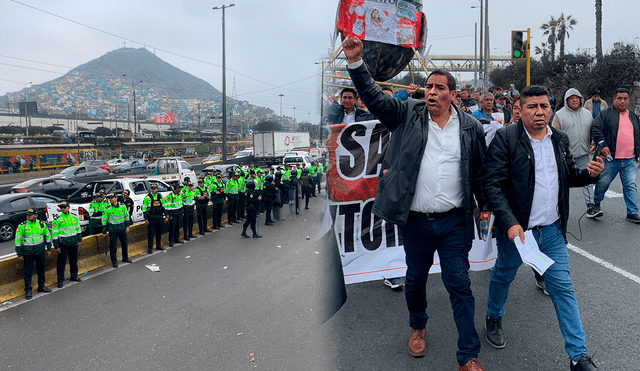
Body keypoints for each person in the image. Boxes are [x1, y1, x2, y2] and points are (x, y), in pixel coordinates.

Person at [343, 36, 490, 371]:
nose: (433, 91)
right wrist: (356, 63)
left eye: (440, 87)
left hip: (454, 223)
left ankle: (468, 355)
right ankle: (418, 325)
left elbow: (479, 173)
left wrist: (487, 206)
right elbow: (376, 100)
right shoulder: (408, 113)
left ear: (454, 94)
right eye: (429, 86)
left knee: (460, 286)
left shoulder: (470, 128)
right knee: (415, 280)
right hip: (416, 222)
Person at [484, 85, 604, 371]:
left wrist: (588, 175)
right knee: (504, 274)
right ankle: (493, 315)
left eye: (544, 106)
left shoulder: (559, 140)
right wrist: (510, 223)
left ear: (551, 108)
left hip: (550, 231)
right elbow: (493, 186)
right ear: (520, 110)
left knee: (563, 288)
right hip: (519, 233)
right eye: (532, 107)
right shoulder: (506, 139)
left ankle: (579, 356)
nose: (539, 112)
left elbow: (568, 177)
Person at [590, 87, 640, 223]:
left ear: (629, 101)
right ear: (614, 99)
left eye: (625, 99)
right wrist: (603, 145)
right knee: (603, 183)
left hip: (630, 159)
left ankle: (632, 212)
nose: (622, 101)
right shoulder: (605, 114)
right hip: (610, 159)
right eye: (619, 98)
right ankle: (596, 204)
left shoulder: (634, 117)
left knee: (630, 185)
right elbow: (596, 128)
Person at [551, 88, 597, 216]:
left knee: (587, 179)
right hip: (564, 157)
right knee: (562, 181)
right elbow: (553, 135)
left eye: (577, 97)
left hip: (583, 154)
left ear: (581, 99)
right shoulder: (559, 115)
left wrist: (594, 140)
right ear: (567, 100)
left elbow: (593, 130)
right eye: (572, 98)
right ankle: (558, 208)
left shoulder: (588, 114)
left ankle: (590, 205)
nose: (575, 100)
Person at [15, 208, 52, 300]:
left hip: (39, 250)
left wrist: (49, 248)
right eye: (28, 215)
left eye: (30, 215)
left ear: (36, 215)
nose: (28, 216)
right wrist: (19, 253)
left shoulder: (41, 224)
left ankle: (41, 286)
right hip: (28, 252)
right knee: (28, 271)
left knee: (41, 268)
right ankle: (28, 290)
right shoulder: (22, 226)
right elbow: (18, 240)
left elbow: (47, 235)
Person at [52, 201, 82, 288]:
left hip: (73, 242)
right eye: (61, 207)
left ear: (68, 207)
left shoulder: (73, 217)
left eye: (64, 207)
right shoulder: (57, 219)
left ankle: (74, 276)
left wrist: (79, 239)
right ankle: (60, 280)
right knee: (61, 263)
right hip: (63, 244)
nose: (63, 209)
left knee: (74, 261)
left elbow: (78, 228)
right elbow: (54, 234)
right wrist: (56, 246)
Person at [102, 193, 132, 268]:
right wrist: (104, 231)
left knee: (124, 244)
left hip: (122, 229)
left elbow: (126, 216)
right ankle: (114, 262)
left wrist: (127, 226)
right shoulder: (107, 208)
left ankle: (125, 258)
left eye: (112, 198)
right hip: (113, 230)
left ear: (116, 198)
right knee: (113, 247)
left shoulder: (122, 206)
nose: (110, 199)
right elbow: (104, 220)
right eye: (109, 198)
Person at [143, 183, 166, 253]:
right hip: (151, 218)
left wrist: (166, 216)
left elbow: (164, 207)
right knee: (151, 234)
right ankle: (150, 248)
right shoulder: (147, 197)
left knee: (159, 232)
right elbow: (144, 209)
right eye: (152, 189)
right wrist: (146, 219)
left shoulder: (160, 196)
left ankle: (158, 245)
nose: (153, 190)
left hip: (159, 217)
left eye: (154, 189)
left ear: (157, 189)